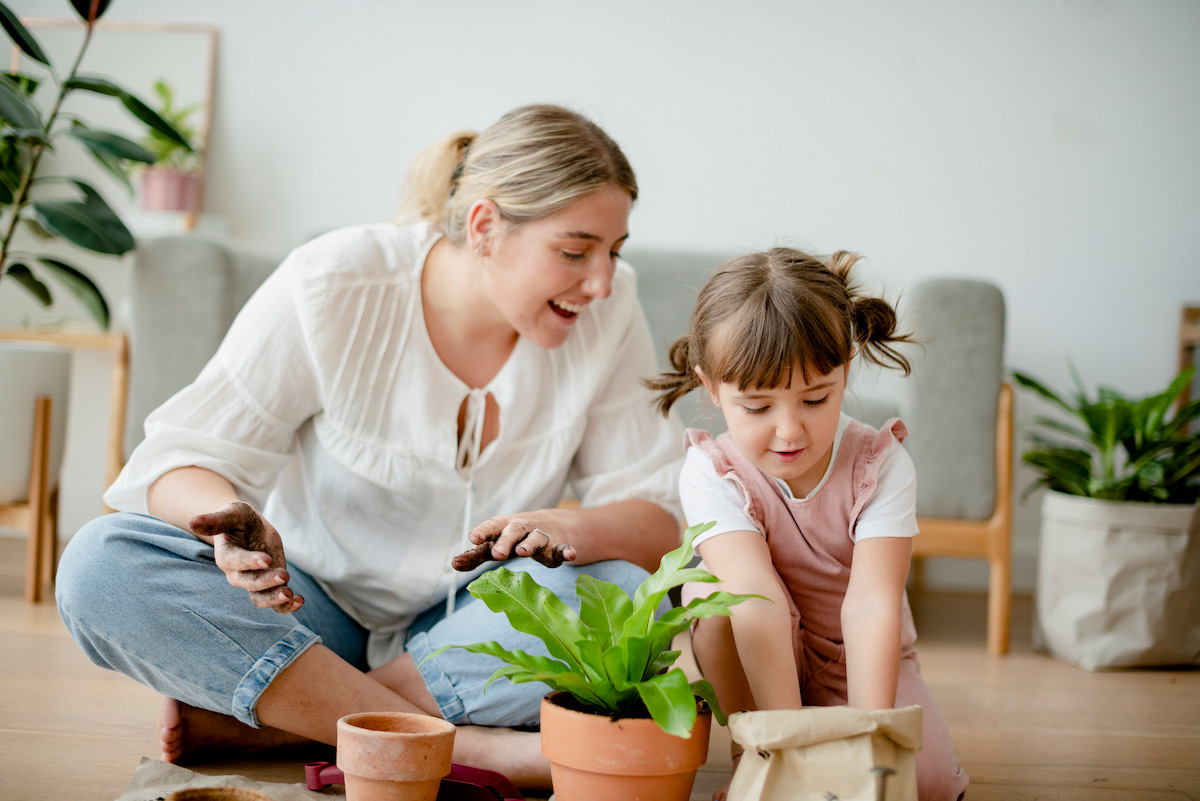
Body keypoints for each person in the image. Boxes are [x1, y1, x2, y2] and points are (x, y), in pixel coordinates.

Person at [55, 104, 684, 789]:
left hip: (478, 620)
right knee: (100, 565)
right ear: (484, 226)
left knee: (636, 597)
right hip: (310, 613)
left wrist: (567, 525)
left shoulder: (610, 306)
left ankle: (297, 716)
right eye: (575, 251)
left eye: (613, 252)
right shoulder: (334, 281)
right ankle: (475, 749)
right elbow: (181, 457)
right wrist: (228, 523)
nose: (600, 281)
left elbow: (658, 516)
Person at [647, 247, 969, 800]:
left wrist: (871, 745)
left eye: (815, 398)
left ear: (845, 367)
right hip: (761, 646)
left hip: (858, 658)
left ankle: (824, 743)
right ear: (711, 387)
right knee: (716, 598)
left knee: (928, 785)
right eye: (757, 408)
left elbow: (872, 604)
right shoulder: (710, 470)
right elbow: (753, 595)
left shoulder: (881, 464)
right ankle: (758, 746)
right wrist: (787, 752)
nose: (790, 431)